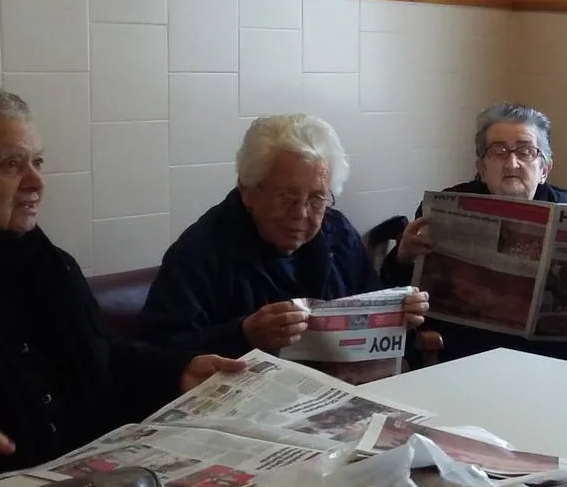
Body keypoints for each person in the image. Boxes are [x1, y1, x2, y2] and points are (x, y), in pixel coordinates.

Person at [0, 77, 244, 479]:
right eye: (12, 165)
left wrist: (175, 371)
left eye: (38, 161)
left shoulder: (46, 260)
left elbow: (98, 356)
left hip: (88, 485)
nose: (36, 182)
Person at [382, 102, 567, 378]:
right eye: (499, 151)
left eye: (525, 151)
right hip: (482, 352)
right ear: (482, 168)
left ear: (544, 169)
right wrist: (403, 257)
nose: (512, 163)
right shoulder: (443, 208)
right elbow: (398, 292)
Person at [138, 114, 428, 358]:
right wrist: (242, 335)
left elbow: (368, 302)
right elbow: (157, 356)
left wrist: (397, 313)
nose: (301, 213)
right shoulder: (200, 252)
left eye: (316, 198)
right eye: (286, 196)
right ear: (248, 190)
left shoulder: (337, 233)